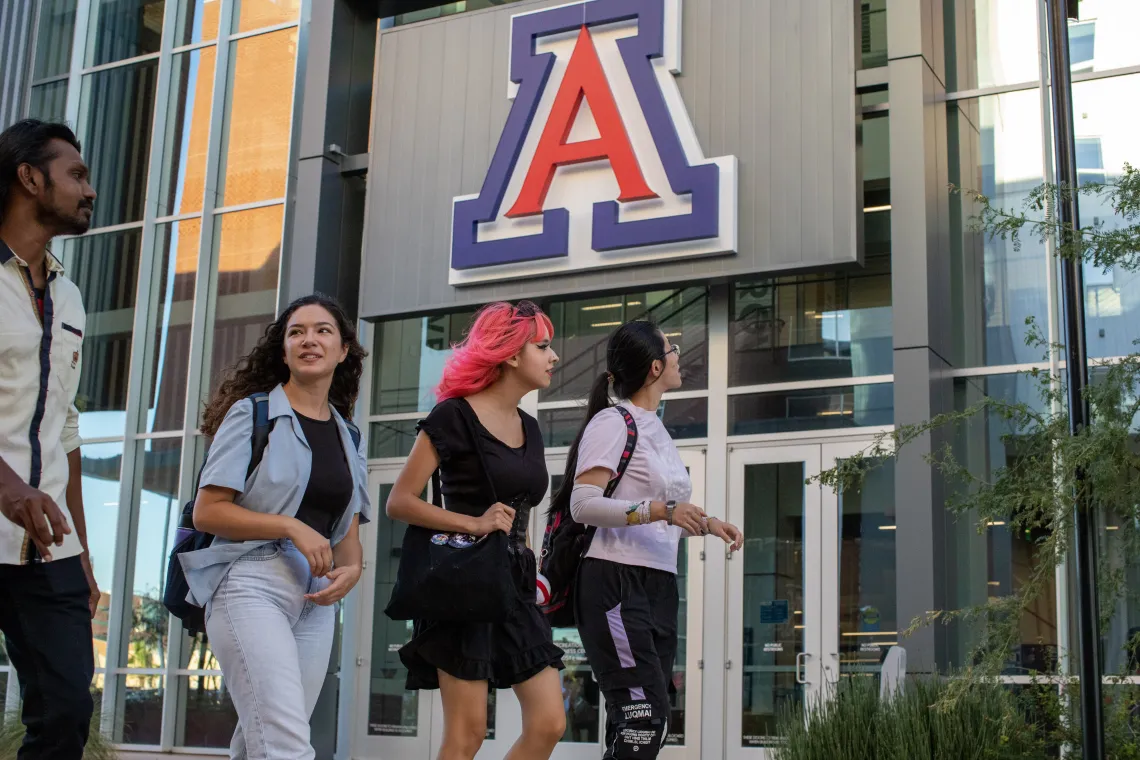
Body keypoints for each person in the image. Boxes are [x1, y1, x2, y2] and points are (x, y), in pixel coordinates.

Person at [184, 294, 370, 760]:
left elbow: (347, 530)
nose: (309, 339)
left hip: (316, 598)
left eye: (323, 330)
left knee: (259, 740)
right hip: (250, 582)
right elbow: (208, 512)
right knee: (286, 745)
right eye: (296, 332)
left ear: (344, 350)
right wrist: (289, 526)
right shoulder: (254, 413)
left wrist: (353, 570)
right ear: (283, 350)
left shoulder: (348, 434)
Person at [551, 319, 744, 759]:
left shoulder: (657, 429)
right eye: (672, 347)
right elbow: (583, 505)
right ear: (656, 367)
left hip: (658, 584)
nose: (678, 354)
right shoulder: (613, 422)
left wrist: (707, 522)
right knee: (644, 714)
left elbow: (663, 504)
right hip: (614, 580)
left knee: (641, 714)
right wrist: (661, 511)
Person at [387, 301, 566, 760]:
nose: (554, 356)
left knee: (549, 722)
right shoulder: (453, 417)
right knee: (466, 735)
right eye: (542, 346)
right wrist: (474, 522)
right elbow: (400, 501)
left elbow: (524, 506)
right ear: (509, 354)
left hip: (516, 586)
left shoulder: (530, 426)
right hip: (463, 585)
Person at [0, 119, 100, 759]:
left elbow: (64, 430)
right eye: (77, 175)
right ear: (30, 178)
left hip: (47, 549)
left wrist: (83, 549)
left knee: (67, 707)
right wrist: (8, 487)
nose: (89, 190)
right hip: (6, 509)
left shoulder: (70, 298)